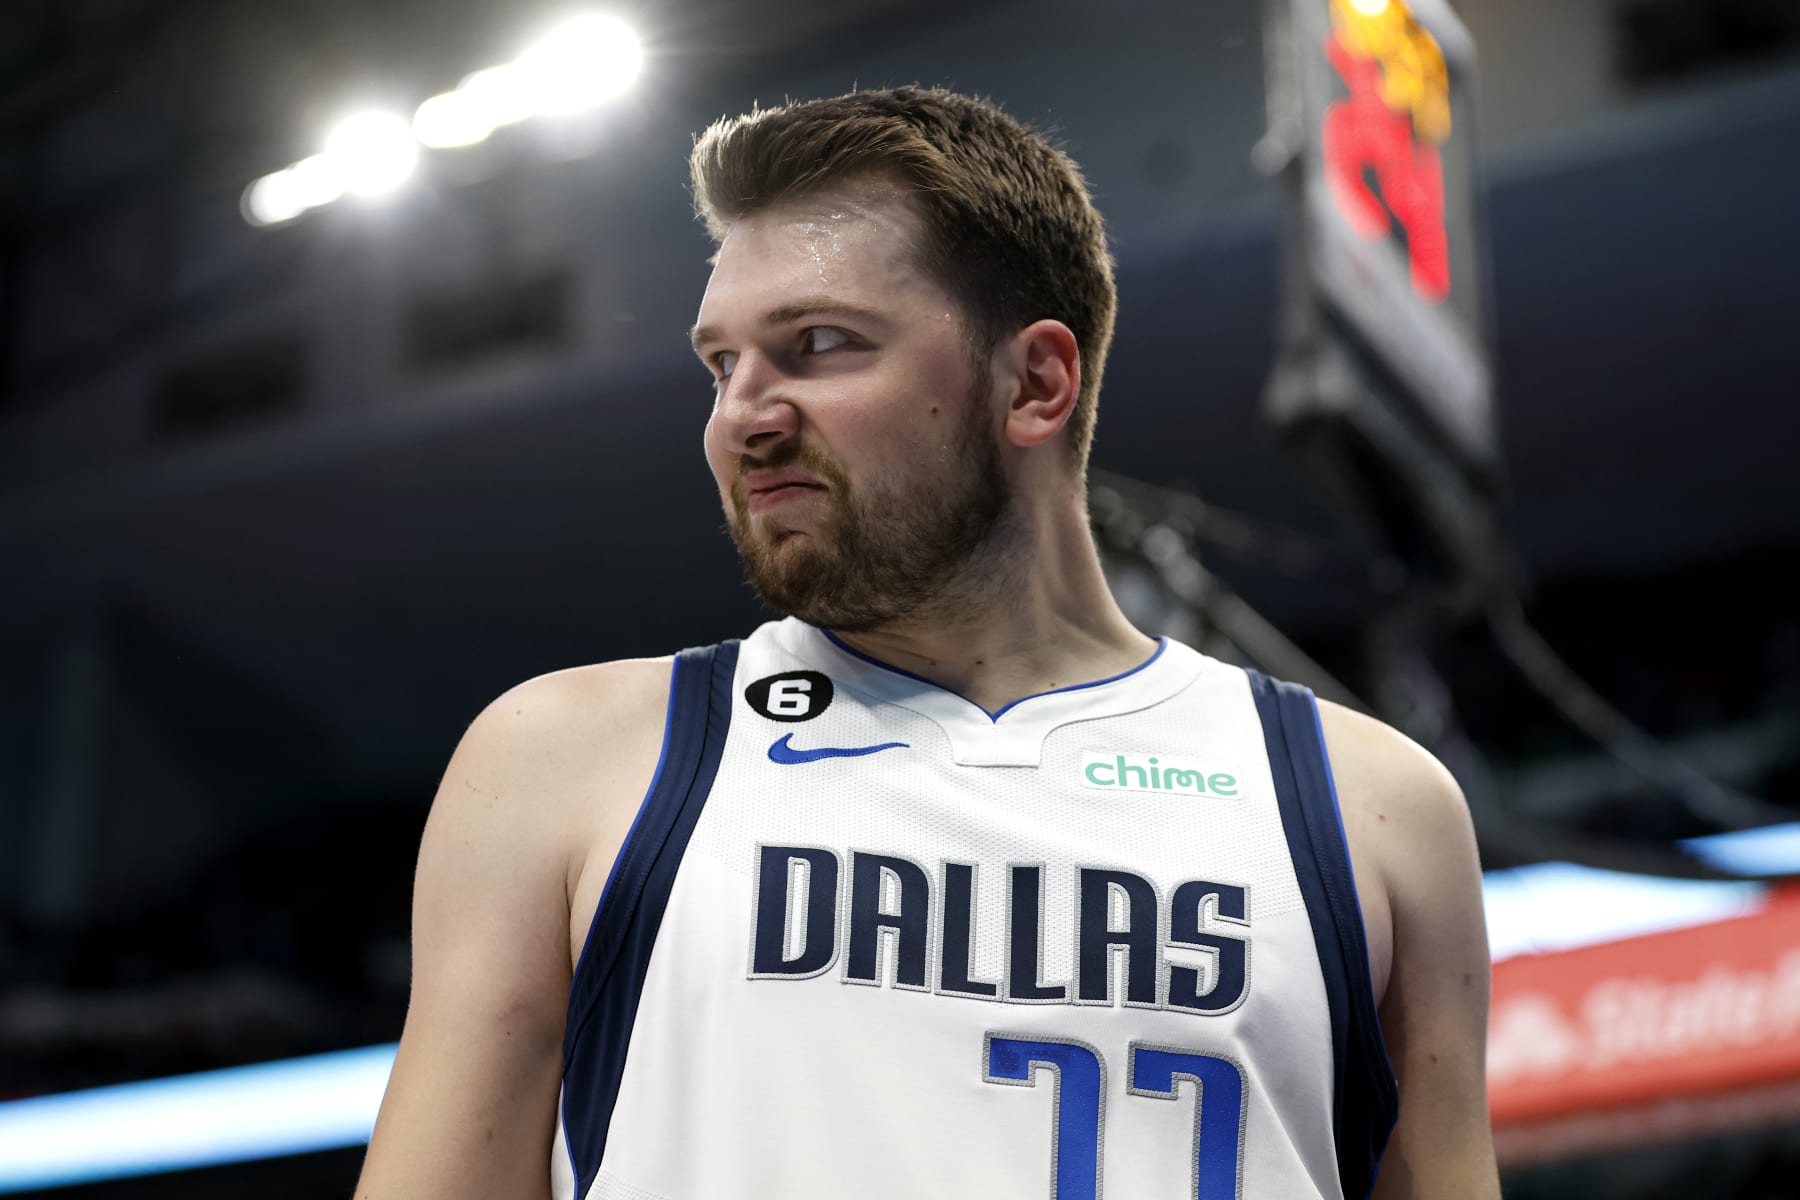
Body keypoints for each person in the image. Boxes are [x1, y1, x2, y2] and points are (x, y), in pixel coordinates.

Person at [355, 86, 1499, 1200]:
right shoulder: (565, 763)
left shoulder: (1372, 809)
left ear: (1037, 383)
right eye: (721, 364)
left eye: (819, 343)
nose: (743, 416)